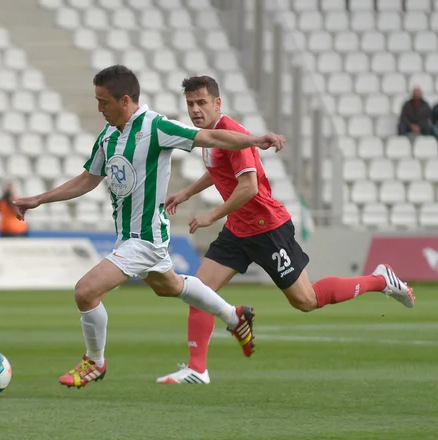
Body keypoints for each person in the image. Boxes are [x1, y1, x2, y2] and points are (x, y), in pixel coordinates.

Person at [12, 65, 285, 388]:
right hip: (127, 236)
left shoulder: (155, 127)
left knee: (85, 292)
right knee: (169, 286)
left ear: (125, 100)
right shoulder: (109, 135)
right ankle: (234, 316)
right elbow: (88, 179)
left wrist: (256, 139)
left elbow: (210, 137)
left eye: (104, 102)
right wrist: (40, 199)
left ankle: (94, 362)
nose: (99, 108)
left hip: (146, 238)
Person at [156, 75, 416, 385]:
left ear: (217, 103)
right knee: (198, 291)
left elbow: (249, 187)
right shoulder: (209, 136)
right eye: (190, 104)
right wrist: (186, 193)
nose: (195, 110)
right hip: (239, 229)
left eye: (201, 103)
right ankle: (197, 369)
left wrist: (212, 214)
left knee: (305, 300)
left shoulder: (232, 133)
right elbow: (219, 172)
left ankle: (380, 280)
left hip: (267, 227)